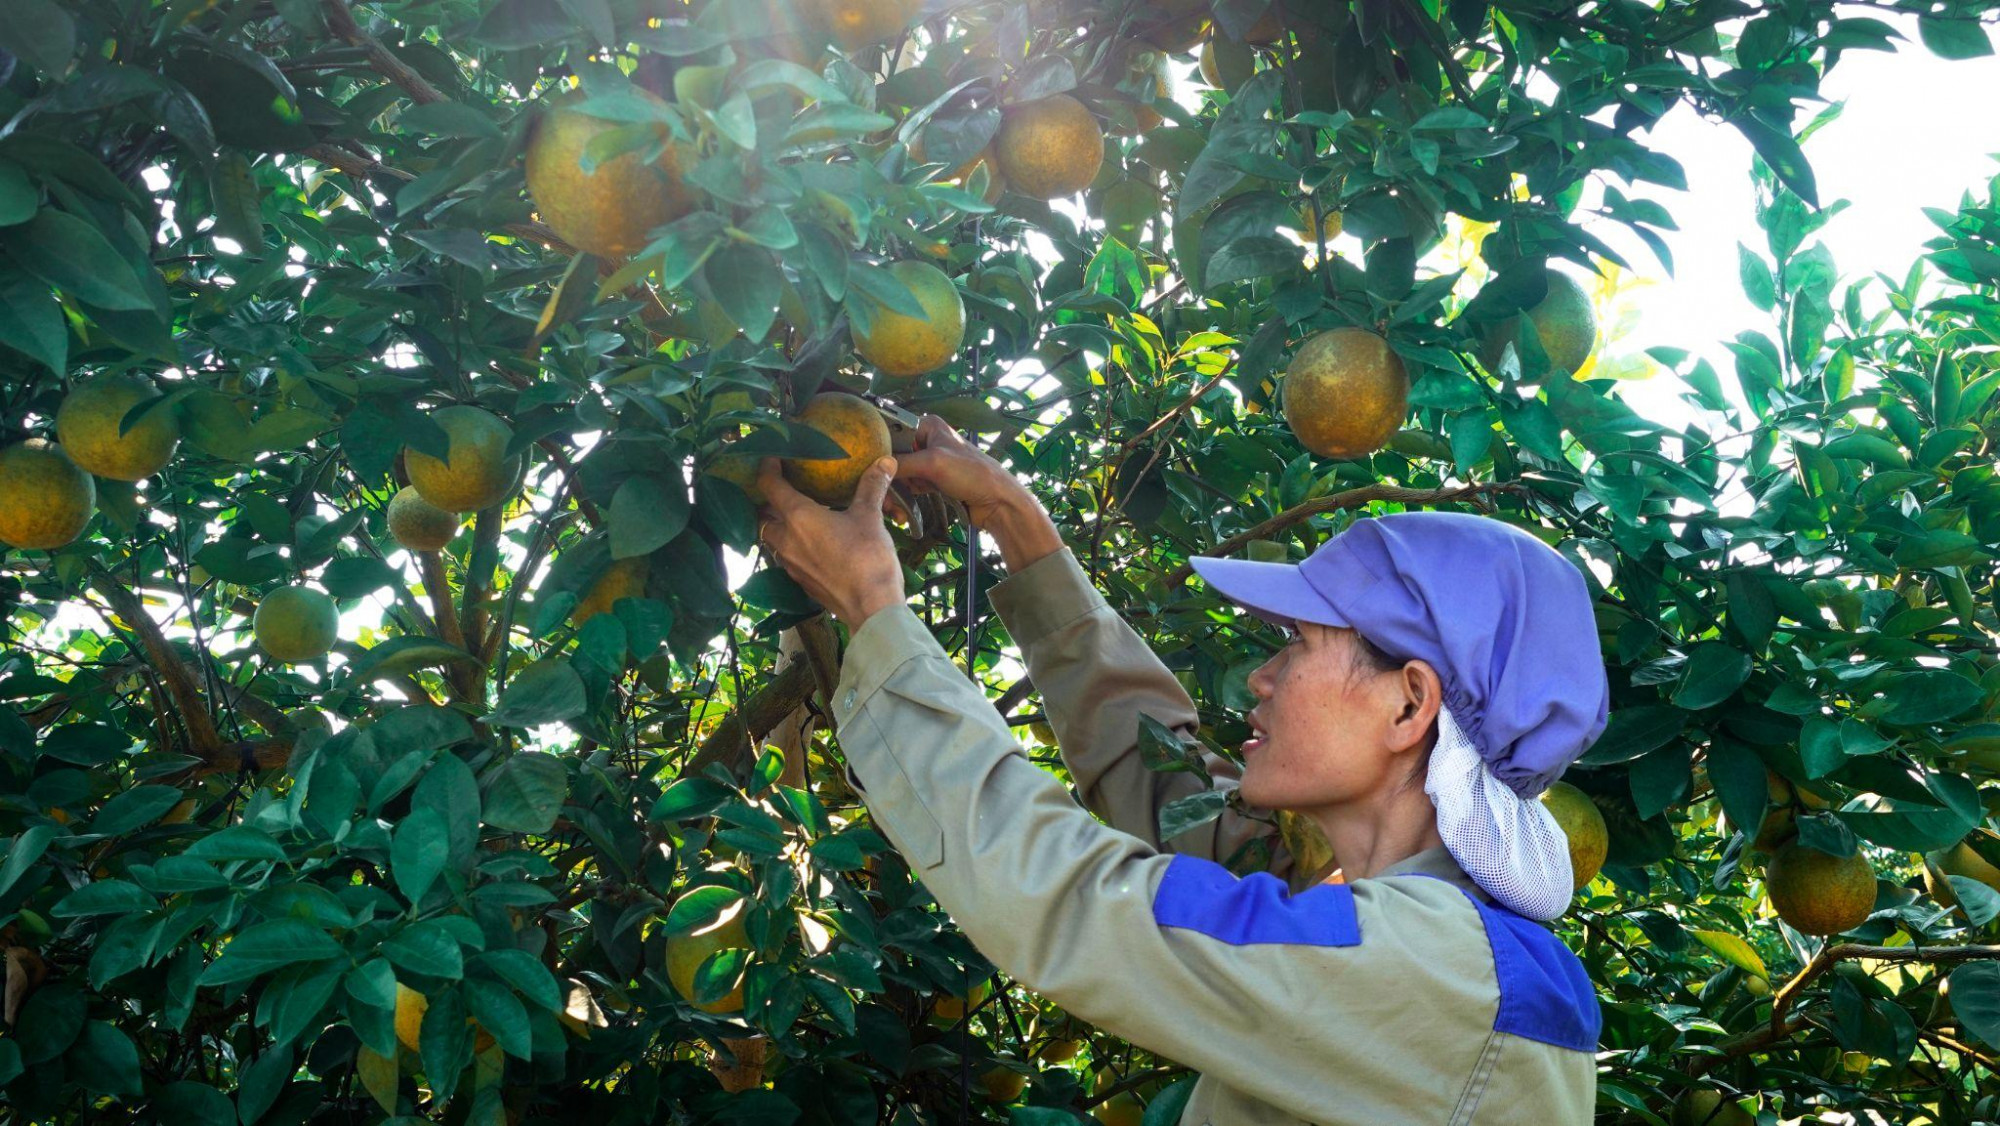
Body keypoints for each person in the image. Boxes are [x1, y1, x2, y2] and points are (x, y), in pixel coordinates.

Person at [751, 413, 1611, 1125]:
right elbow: (1171, 793)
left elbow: (1083, 903)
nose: (1260, 678)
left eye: (1298, 645)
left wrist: (874, 610)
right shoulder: (1405, 932)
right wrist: (1017, 524)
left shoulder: (1436, 973)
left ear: (1409, 706)